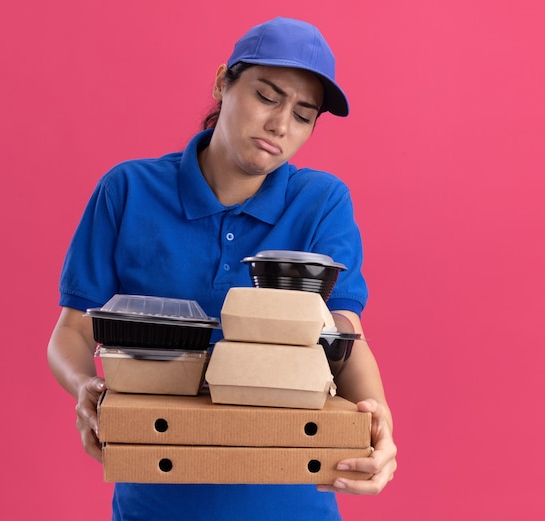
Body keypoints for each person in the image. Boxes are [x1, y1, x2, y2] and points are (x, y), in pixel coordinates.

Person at [48, 16, 397, 521]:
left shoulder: (320, 202)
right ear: (221, 82)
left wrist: (379, 420)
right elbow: (73, 330)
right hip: (155, 501)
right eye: (267, 96)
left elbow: (344, 335)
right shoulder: (128, 191)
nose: (280, 125)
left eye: (303, 114)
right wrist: (85, 385)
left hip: (291, 501)